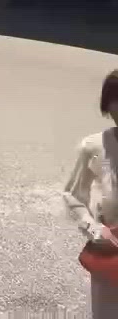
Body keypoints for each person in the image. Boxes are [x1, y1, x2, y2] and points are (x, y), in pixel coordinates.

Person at [64, 70, 118, 316]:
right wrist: (95, 230)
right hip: (111, 252)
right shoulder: (94, 146)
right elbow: (74, 195)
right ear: (107, 105)